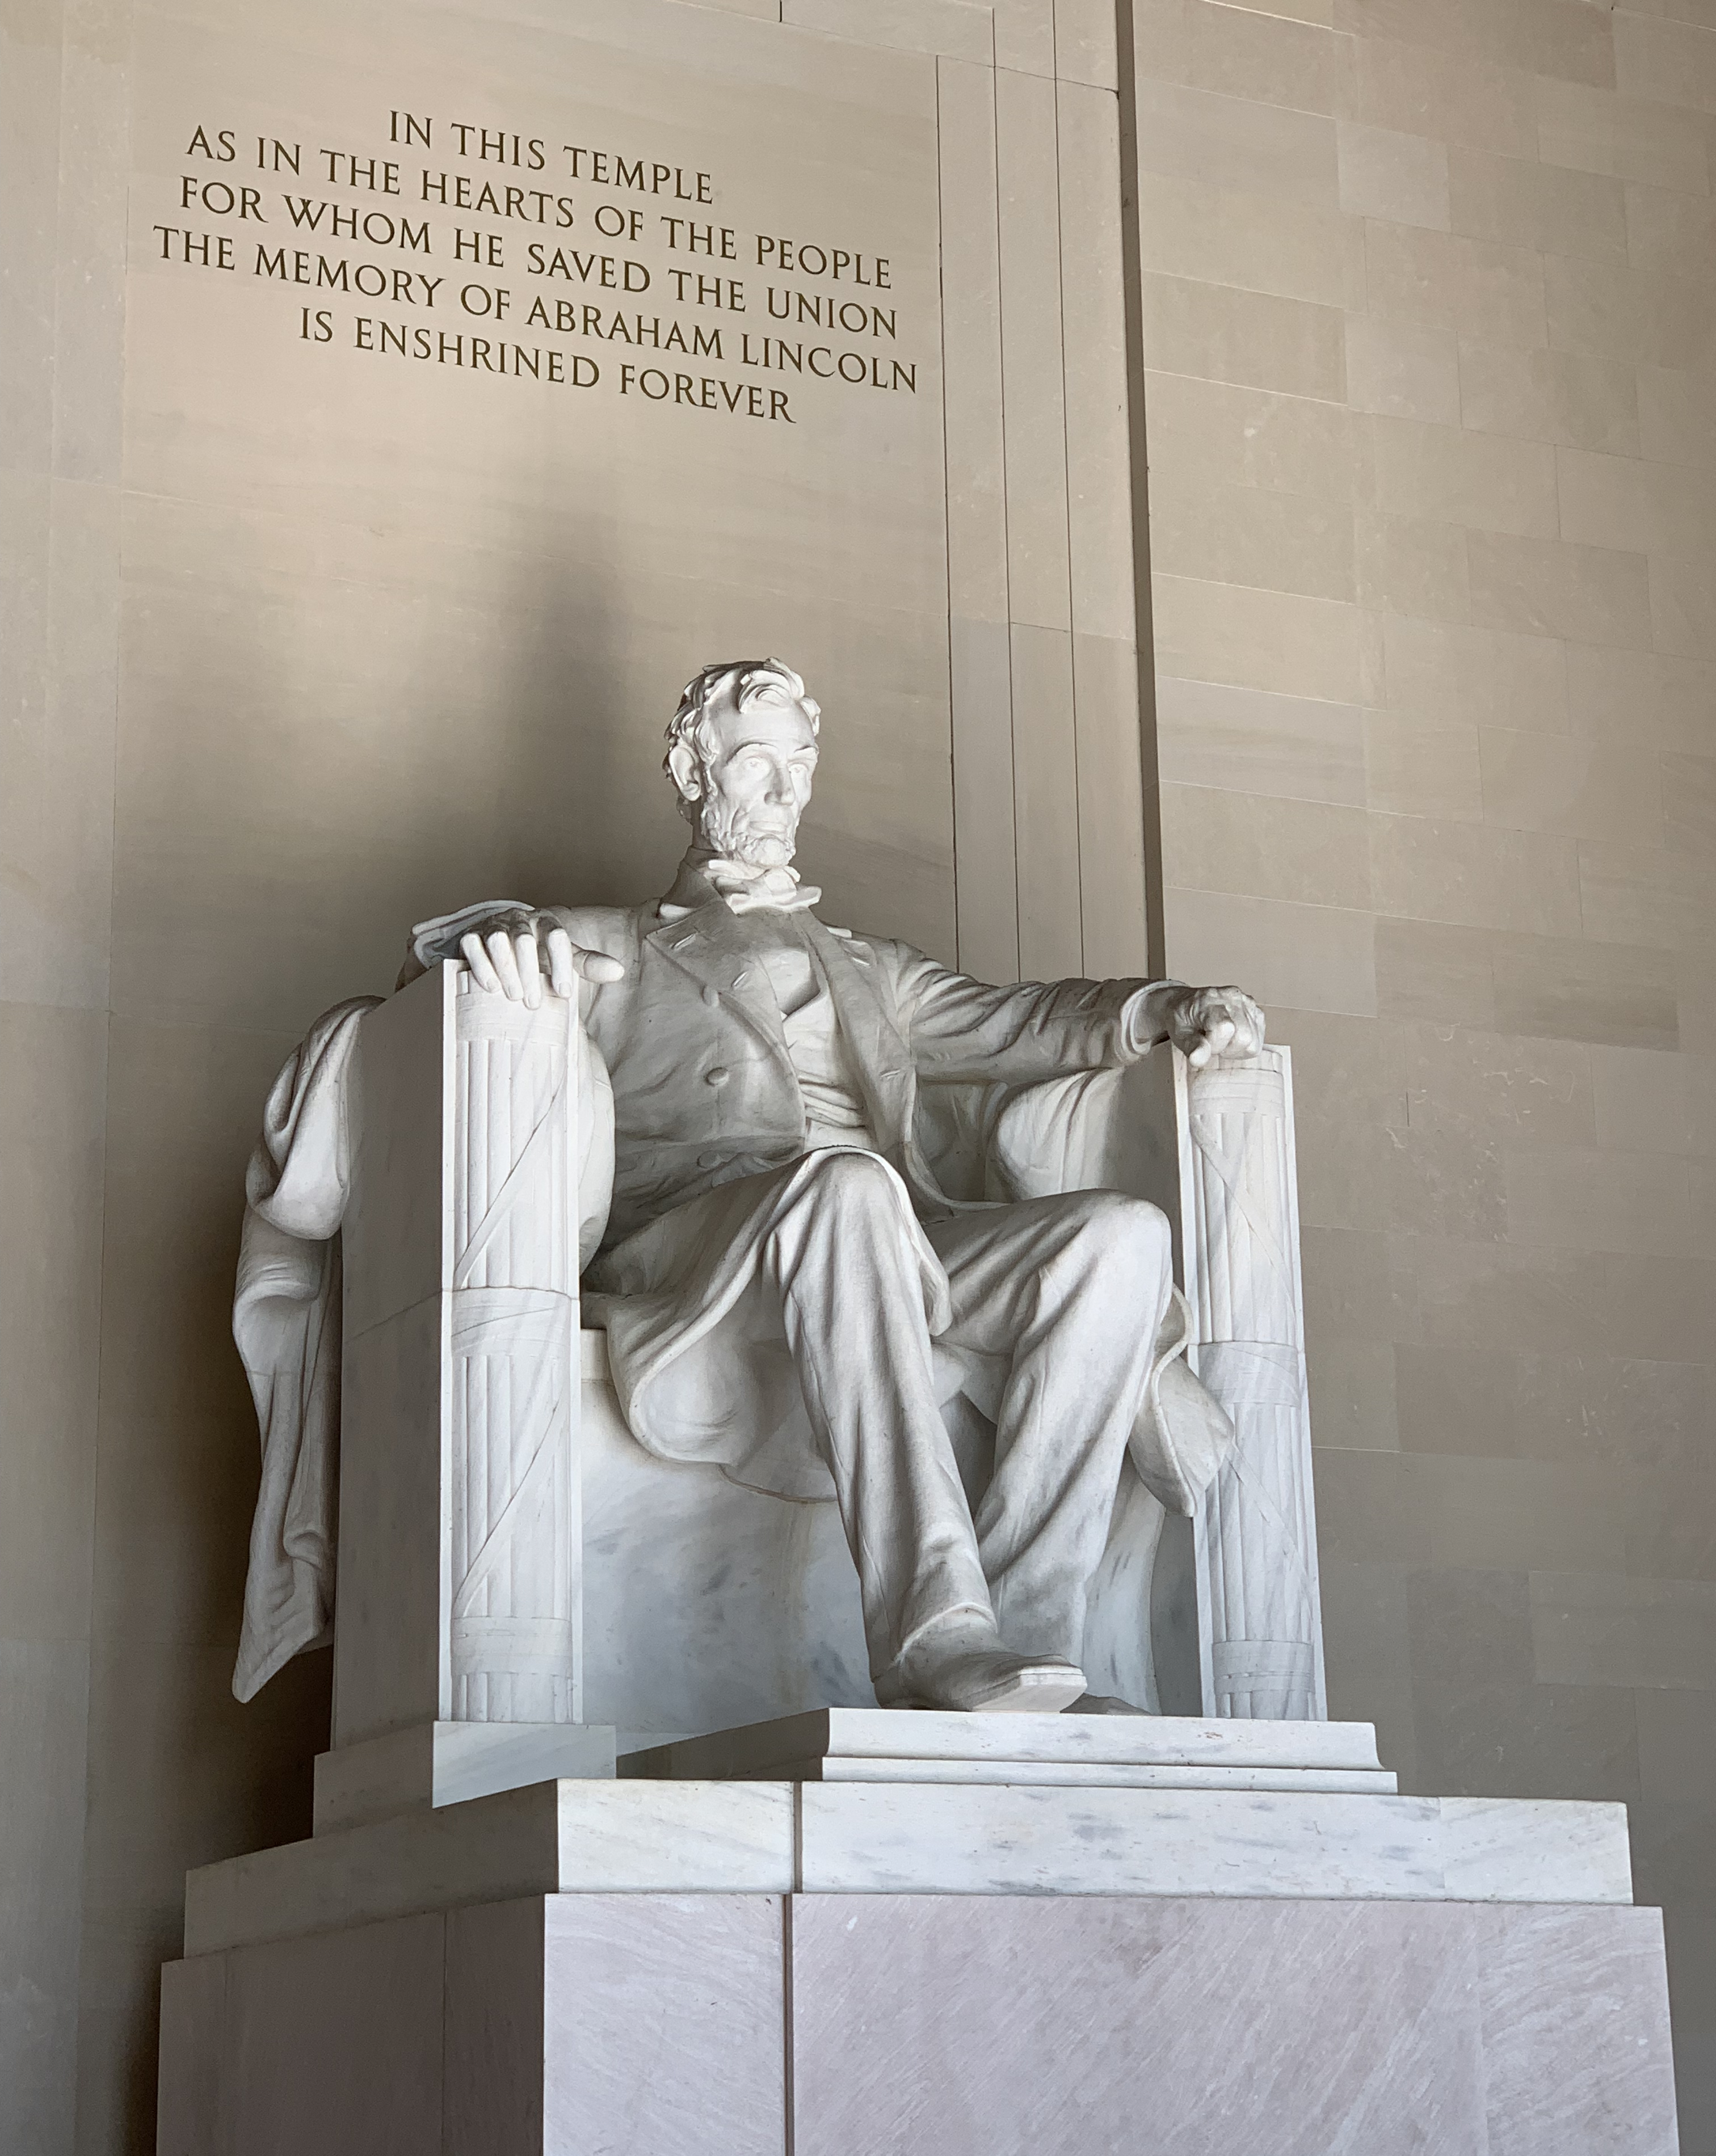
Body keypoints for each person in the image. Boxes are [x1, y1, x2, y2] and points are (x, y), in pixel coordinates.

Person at [402, 659, 1264, 1713]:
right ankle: (934, 1637)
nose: (780, 794)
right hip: (699, 1241)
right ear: (691, 768)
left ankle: (1034, 1637)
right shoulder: (614, 941)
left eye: (798, 767)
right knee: (849, 1186)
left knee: (1119, 1237)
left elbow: (1024, 1021)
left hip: (884, 1235)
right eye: (753, 763)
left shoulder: (873, 968)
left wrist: (1166, 1008)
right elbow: (435, 966)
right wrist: (508, 944)